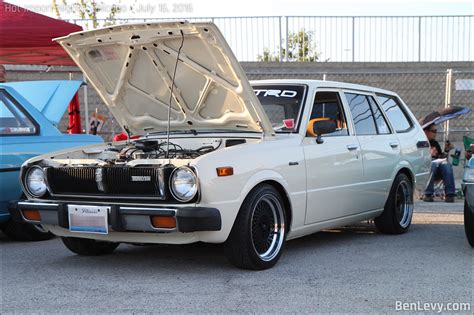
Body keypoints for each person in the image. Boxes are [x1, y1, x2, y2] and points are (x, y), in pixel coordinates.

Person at [423, 124, 456, 202]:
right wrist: (429, 155)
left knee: (446, 164)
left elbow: (441, 158)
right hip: (425, 169)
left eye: (436, 131)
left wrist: (446, 151)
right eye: (433, 131)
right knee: (433, 163)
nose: (435, 133)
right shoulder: (420, 143)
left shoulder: (435, 143)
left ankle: (449, 194)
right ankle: (428, 194)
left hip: (438, 170)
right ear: (426, 132)